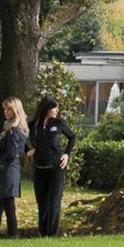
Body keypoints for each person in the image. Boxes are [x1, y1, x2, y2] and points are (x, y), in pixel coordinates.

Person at [29, 96, 76, 238]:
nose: (57, 110)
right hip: (39, 169)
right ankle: (42, 234)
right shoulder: (33, 125)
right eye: (54, 108)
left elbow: (72, 137)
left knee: (54, 203)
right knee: (42, 203)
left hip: (56, 168)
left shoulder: (59, 123)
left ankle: (52, 235)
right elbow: (22, 139)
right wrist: (27, 150)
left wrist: (67, 154)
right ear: (46, 109)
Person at [0, 97, 27, 239]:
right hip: (9, 170)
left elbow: (11, 153)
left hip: (7, 171)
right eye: (5, 108)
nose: (6, 111)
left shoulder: (13, 130)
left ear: (16, 110)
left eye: (9, 108)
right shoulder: (11, 127)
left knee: (7, 205)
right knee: (0, 206)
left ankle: (9, 233)